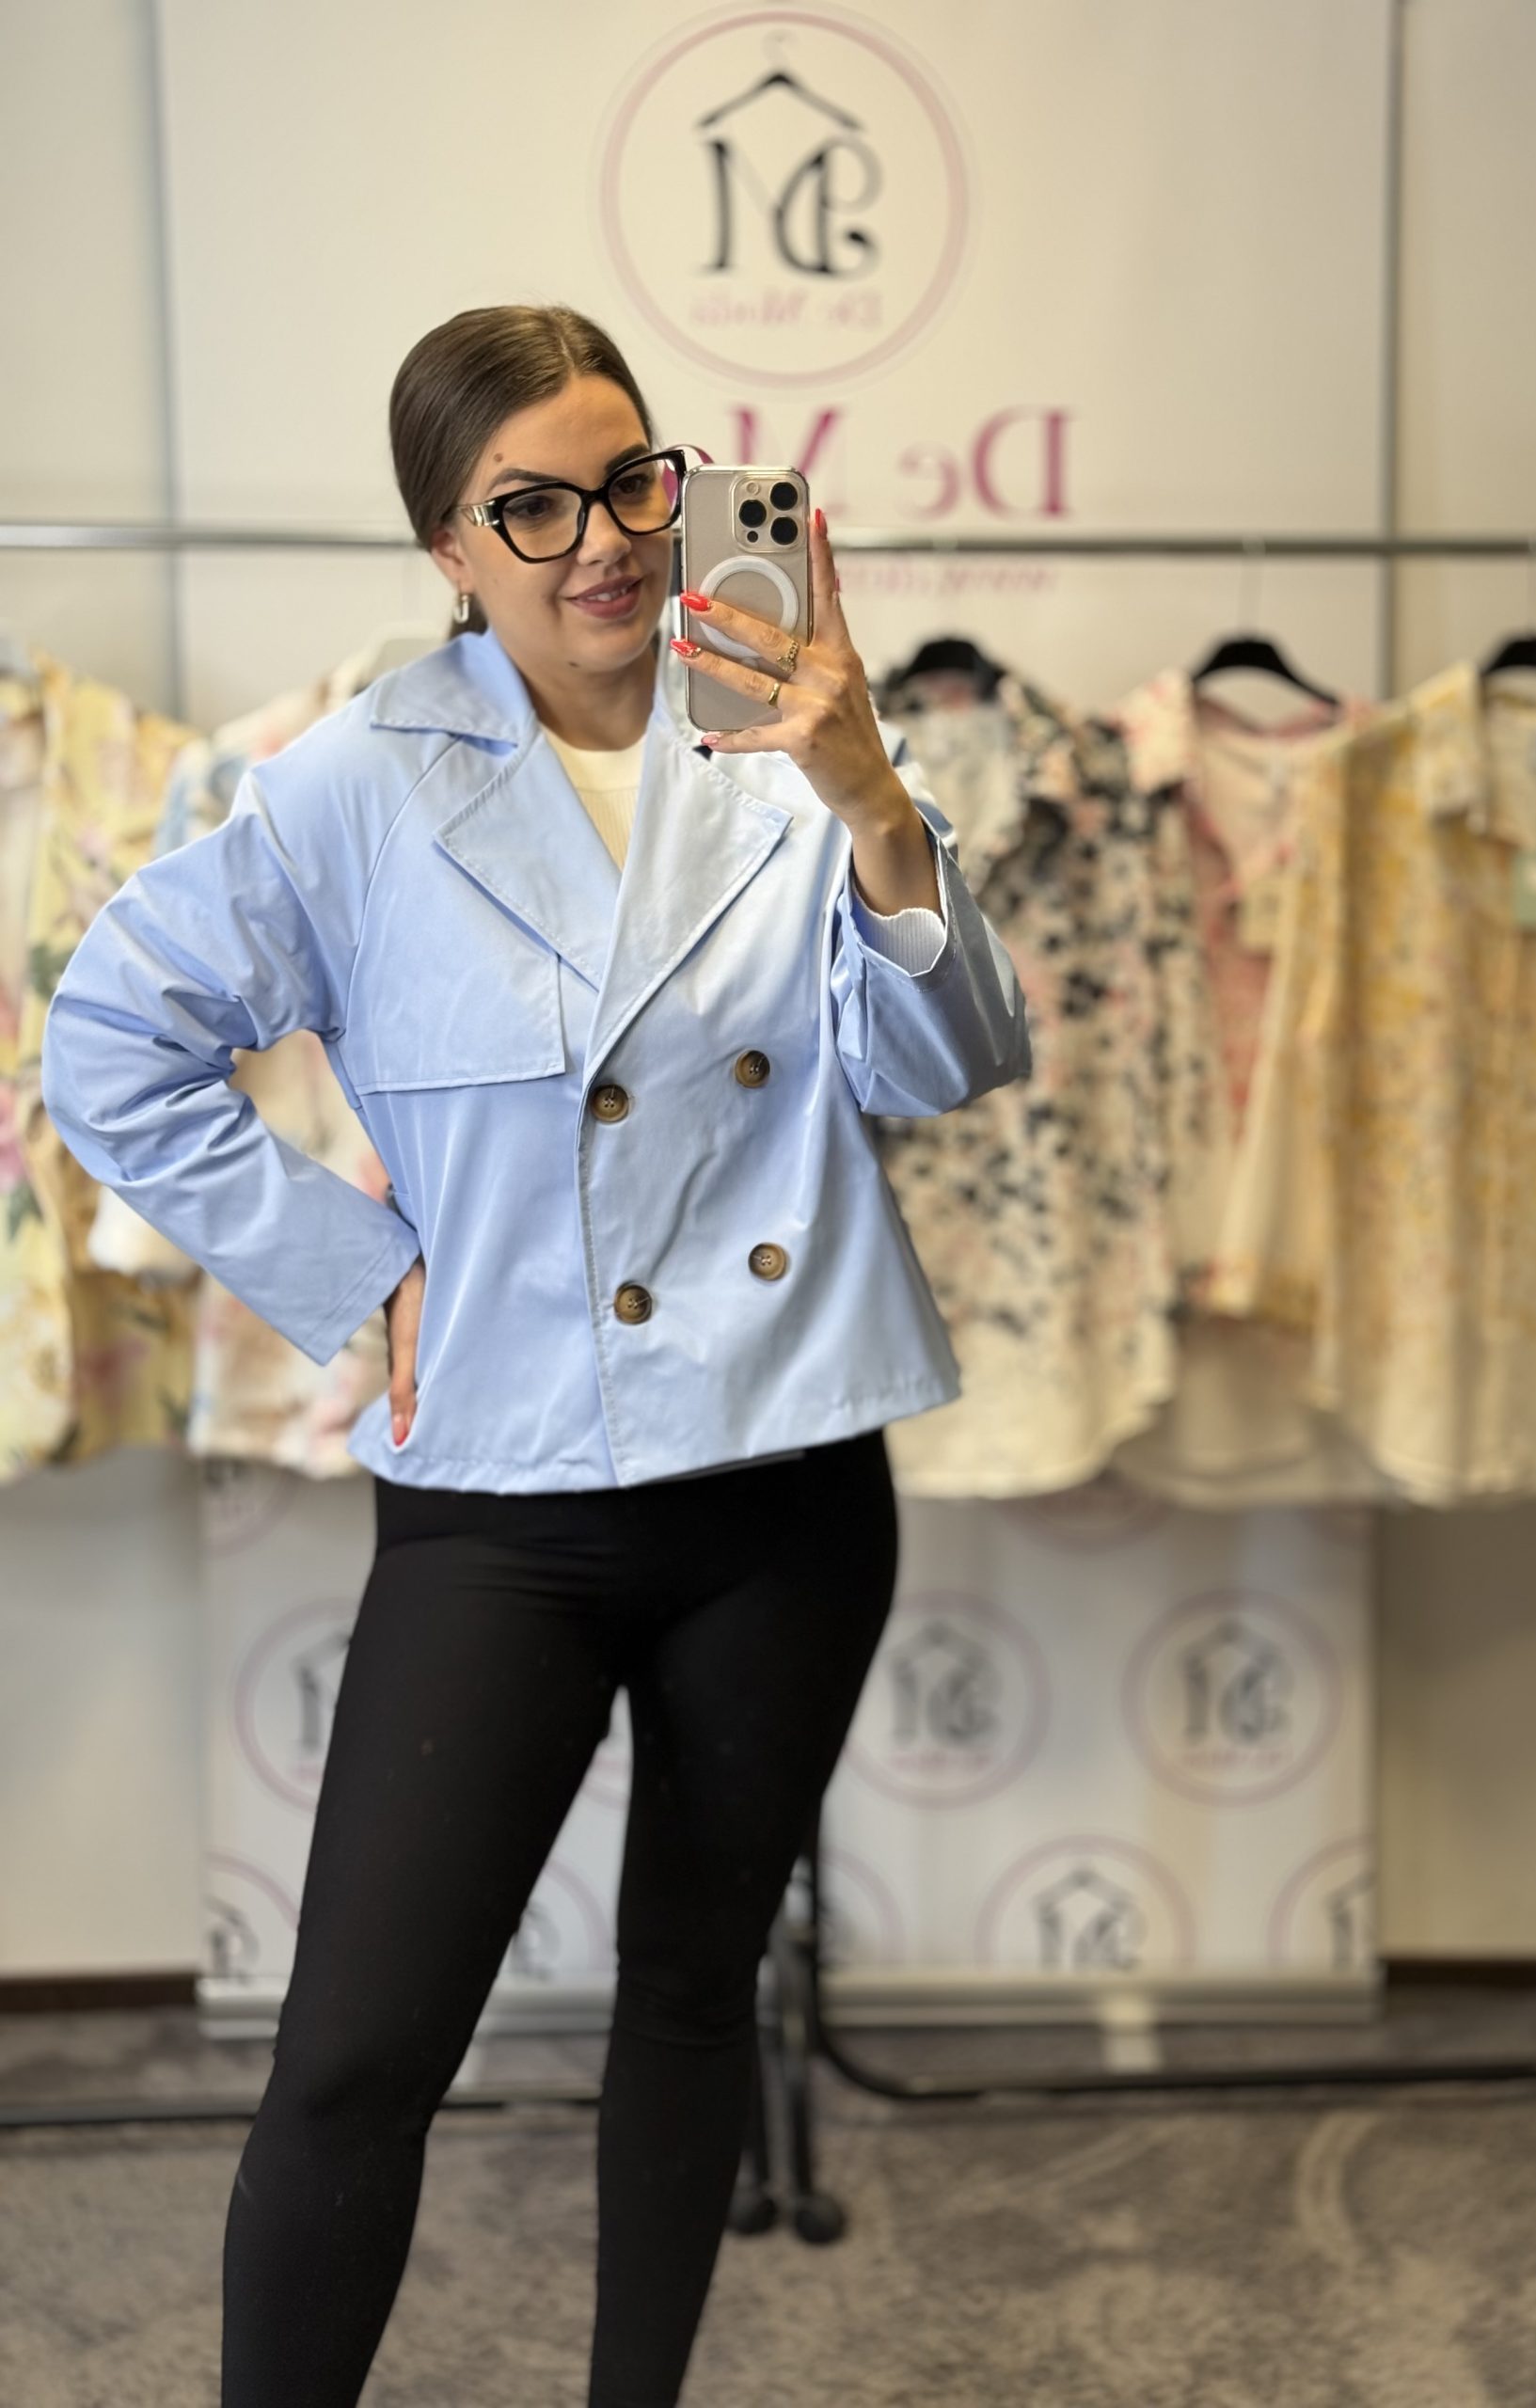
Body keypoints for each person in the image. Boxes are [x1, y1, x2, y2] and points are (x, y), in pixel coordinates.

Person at [40, 301, 1030, 2407]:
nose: (605, 540)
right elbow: (108, 1043)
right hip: (502, 1496)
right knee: (354, 2055)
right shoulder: (353, 786)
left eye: (631, 482)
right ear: (449, 547)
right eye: (533, 507)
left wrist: (872, 798)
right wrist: (357, 1272)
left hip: (787, 1475)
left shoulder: (790, 741)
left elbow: (944, 1066)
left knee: (691, 1993)